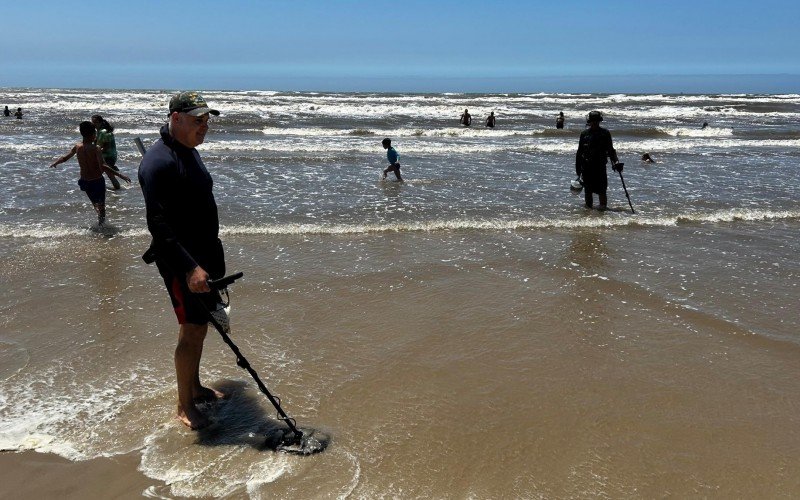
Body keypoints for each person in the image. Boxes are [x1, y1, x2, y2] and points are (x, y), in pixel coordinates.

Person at [138, 91, 226, 430]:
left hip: (203, 254)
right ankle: (184, 406)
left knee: (200, 327)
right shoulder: (158, 162)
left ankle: (195, 386)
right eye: (197, 120)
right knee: (191, 330)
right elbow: (159, 227)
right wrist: (191, 268)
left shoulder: (188, 151)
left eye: (207, 121)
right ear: (176, 118)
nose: (204, 127)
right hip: (182, 262)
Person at [49, 121, 131, 225]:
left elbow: (65, 158)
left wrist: (56, 162)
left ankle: (98, 221)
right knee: (102, 208)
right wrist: (120, 175)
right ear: (93, 134)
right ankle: (102, 227)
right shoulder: (95, 149)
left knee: (95, 205)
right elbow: (103, 166)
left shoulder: (77, 147)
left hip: (85, 181)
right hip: (97, 181)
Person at [575, 111, 620, 210]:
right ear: (589, 121)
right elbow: (579, 152)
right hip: (587, 168)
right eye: (593, 121)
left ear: (599, 121)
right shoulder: (584, 134)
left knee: (602, 191)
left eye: (596, 121)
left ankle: (602, 212)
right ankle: (589, 211)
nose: (595, 123)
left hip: (600, 167)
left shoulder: (605, 133)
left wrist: (616, 162)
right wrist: (578, 169)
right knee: (588, 191)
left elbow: (611, 150)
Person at [91, 114, 122, 189]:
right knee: (110, 175)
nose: (93, 124)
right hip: (110, 155)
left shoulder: (102, 132)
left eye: (95, 122)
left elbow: (103, 147)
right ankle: (117, 190)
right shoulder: (100, 131)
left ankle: (94, 188)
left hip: (107, 156)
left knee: (95, 175)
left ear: (100, 122)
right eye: (93, 122)